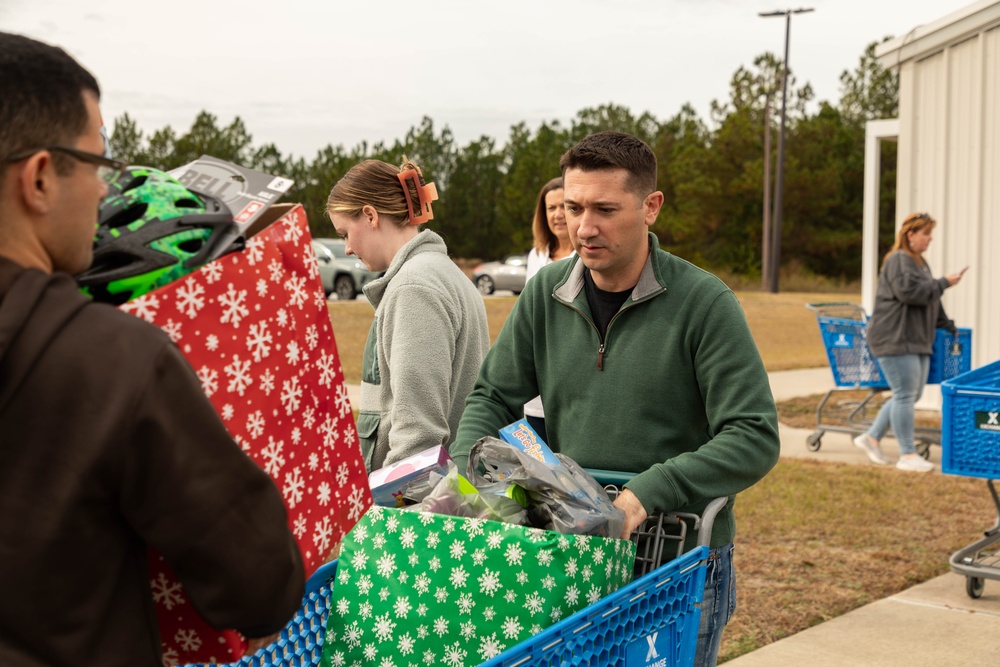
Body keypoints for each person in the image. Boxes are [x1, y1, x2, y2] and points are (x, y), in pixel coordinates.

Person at [0, 32, 304, 666]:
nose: (105, 191)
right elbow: (260, 584)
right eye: (97, 165)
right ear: (40, 179)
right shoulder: (112, 361)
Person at [450, 131, 780, 667]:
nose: (584, 227)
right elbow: (492, 396)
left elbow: (754, 435)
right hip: (569, 553)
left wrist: (647, 493)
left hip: (675, 561)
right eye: (574, 207)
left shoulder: (705, 302)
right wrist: (473, 477)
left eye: (605, 209)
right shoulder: (545, 292)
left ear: (651, 207)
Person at [326, 158, 490, 472]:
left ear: (370, 215)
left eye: (345, 233)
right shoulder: (446, 274)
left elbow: (418, 438)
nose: (346, 248)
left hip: (416, 508)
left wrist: (391, 512)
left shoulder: (413, 287)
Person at [854, 212, 967, 473]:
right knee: (905, 394)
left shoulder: (919, 262)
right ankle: (907, 455)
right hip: (894, 337)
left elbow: (931, 298)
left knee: (909, 394)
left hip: (915, 338)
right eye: (925, 233)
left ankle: (870, 438)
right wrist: (944, 282)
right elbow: (910, 293)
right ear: (910, 235)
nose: (929, 239)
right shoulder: (898, 260)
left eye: (930, 234)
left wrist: (946, 323)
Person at [523, 176, 575, 440]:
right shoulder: (537, 255)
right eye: (550, 208)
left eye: (564, 206)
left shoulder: (586, 256)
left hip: (571, 382)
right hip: (536, 390)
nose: (557, 215)